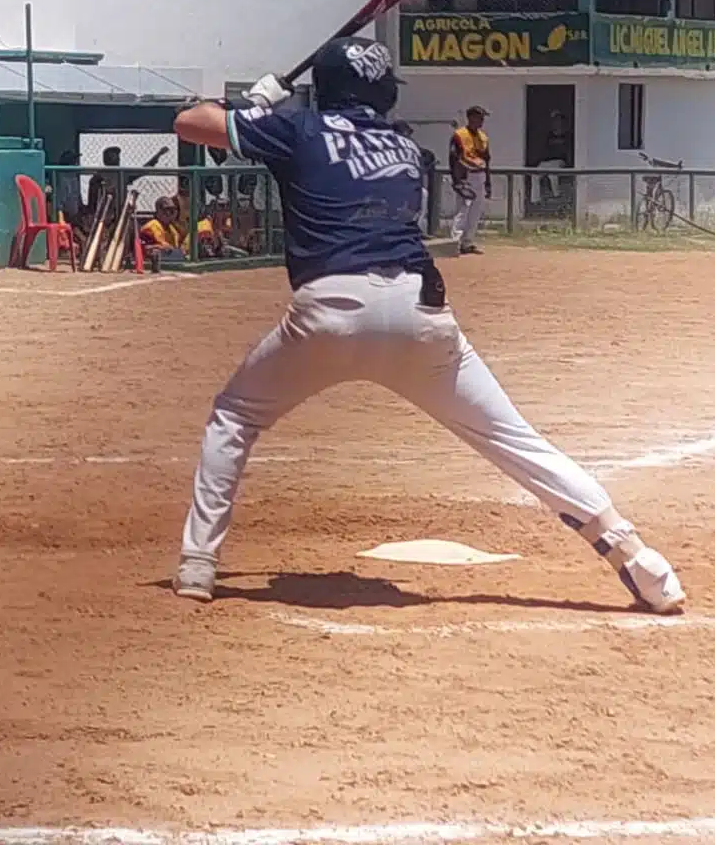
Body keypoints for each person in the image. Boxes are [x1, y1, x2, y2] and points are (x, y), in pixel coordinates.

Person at [164, 38, 685, 615]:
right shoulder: (404, 146)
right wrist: (262, 117)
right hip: (422, 314)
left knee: (234, 416)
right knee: (515, 441)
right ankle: (640, 562)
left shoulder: (300, 130)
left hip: (329, 312)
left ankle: (197, 565)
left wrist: (254, 103)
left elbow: (190, 123)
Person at [449, 105, 491, 254]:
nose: (481, 121)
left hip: (480, 175)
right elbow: (453, 158)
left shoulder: (483, 137)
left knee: (476, 211)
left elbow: (487, 160)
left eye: (482, 118)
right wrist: (457, 180)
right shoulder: (459, 135)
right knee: (463, 210)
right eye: (479, 117)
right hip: (466, 175)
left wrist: (488, 183)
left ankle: (468, 243)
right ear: (470, 117)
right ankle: (455, 242)